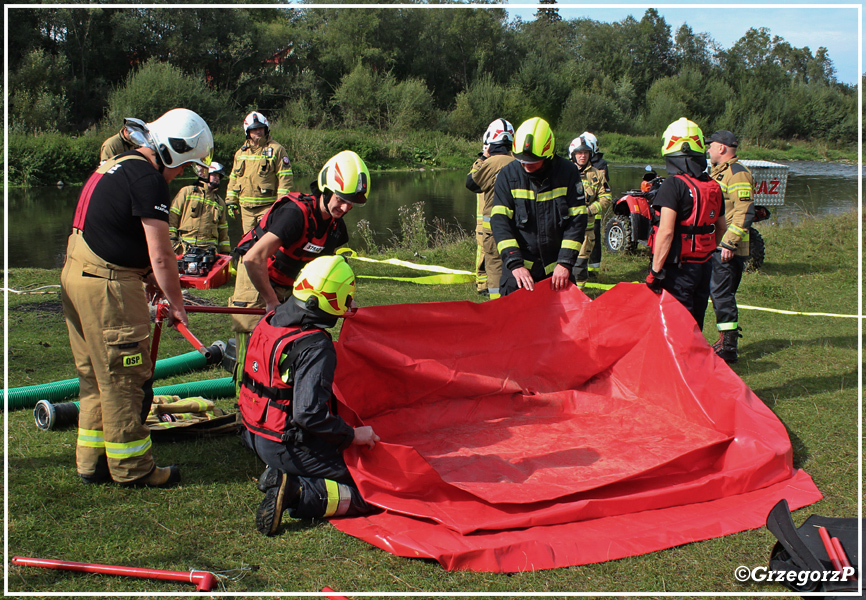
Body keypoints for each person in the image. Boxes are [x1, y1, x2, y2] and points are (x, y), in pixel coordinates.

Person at [61, 108, 214, 487]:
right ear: (174, 151)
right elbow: (161, 253)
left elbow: (115, 230)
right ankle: (134, 469)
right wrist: (176, 302)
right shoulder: (149, 178)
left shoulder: (118, 163)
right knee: (125, 377)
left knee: (94, 377)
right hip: (107, 288)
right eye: (184, 165)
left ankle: (92, 462)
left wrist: (144, 274)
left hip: (77, 276)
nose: (180, 174)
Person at [238, 255, 379, 535]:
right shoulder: (315, 345)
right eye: (347, 298)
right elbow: (308, 414)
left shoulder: (271, 318)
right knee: (375, 487)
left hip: (254, 433)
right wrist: (353, 435)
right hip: (286, 443)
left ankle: (280, 471)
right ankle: (297, 491)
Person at [228, 150, 368, 386]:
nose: (344, 208)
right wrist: (270, 301)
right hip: (256, 275)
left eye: (351, 204)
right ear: (326, 189)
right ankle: (245, 412)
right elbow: (253, 258)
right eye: (341, 199)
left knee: (291, 341)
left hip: (290, 281)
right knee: (254, 345)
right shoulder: (295, 214)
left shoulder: (335, 229)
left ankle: (283, 407)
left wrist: (346, 299)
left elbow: (328, 270)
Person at [490, 117, 587, 297]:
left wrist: (565, 262)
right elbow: (500, 223)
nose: (526, 165)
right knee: (514, 322)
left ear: (548, 155)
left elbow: (577, 221)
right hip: (519, 270)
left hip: (558, 269)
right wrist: (515, 264)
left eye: (533, 161)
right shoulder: (507, 175)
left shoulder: (568, 173)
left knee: (564, 323)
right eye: (522, 160)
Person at [645, 117, 726, 331]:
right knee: (695, 321)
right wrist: (705, 250)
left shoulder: (673, 185)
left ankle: (675, 362)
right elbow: (721, 227)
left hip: (678, 268)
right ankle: (694, 359)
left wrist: (655, 271)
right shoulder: (713, 185)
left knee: (675, 323)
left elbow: (666, 232)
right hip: (704, 264)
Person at [707, 130, 755, 363]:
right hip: (718, 244)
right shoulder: (720, 173)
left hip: (727, 247)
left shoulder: (737, 174)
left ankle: (728, 347)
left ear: (722, 148)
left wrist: (729, 242)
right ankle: (724, 338)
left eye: (711, 146)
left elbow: (744, 211)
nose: (708, 150)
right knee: (719, 294)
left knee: (722, 294)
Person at [465, 118, 515, 299]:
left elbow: (471, 183)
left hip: (493, 228)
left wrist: (483, 158)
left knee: (494, 265)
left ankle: (495, 305)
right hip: (515, 226)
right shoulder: (520, 162)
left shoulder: (490, 164)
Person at [225, 111, 294, 234]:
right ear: (248, 131)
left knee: (265, 242)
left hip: (267, 207)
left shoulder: (276, 150)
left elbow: (285, 178)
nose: (258, 131)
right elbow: (234, 178)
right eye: (254, 129)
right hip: (246, 209)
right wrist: (231, 201)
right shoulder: (240, 153)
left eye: (261, 128)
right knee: (248, 242)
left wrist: (280, 205)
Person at [568, 134, 612, 288]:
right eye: (579, 153)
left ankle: (579, 295)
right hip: (566, 228)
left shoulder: (598, 175)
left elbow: (606, 197)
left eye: (585, 153)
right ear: (573, 154)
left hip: (587, 228)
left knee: (580, 265)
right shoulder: (564, 172)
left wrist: (590, 210)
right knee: (564, 262)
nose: (582, 156)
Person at [168, 161, 231, 255]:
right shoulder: (187, 192)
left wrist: (225, 251)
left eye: (219, 176)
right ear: (205, 174)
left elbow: (223, 229)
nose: (217, 178)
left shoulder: (219, 202)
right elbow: (173, 216)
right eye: (214, 175)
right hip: (185, 249)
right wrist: (172, 240)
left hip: (209, 252)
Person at [581, 132, 609, 277]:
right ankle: (585, 270)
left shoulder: (600, 167)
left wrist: (592, 209)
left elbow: (603, 190)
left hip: (594, 212)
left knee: (593, 240)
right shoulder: (575, 167)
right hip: (582, 213)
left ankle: (593, 270)